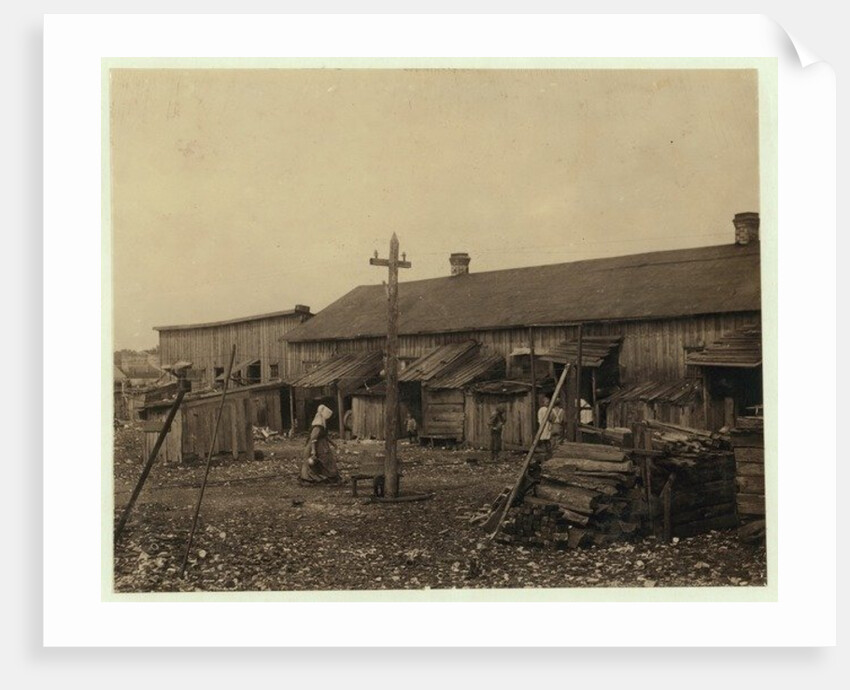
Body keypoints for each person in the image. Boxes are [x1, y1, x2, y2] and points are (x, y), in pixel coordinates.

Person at [300, 404, 341, 484]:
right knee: (315, 462)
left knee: (326, 460)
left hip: (321, 445)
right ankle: (310, 479)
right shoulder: (317, 426)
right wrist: (313, 451)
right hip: (315, 446)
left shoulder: (322, 426)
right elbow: (313, 439)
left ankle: (329, 476)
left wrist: (333, 444)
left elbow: (325, 436)